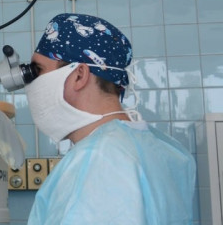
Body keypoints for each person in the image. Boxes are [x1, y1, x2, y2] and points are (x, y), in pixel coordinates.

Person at [25, 13, 196, 224]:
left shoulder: (97, 160)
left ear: (79, 75)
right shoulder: (169, 151)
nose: (31, 82)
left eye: (38, 70)